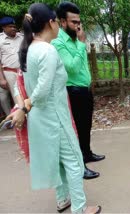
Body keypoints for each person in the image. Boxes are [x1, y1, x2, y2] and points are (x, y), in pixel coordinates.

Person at [6, 3, 101, 213]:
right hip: (54, 117)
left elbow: (18, 84)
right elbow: (43, 89)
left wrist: (24, 105)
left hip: (41, 119)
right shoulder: (47, 50)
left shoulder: (28, 49)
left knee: (58, 161)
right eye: (57, 21)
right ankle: (80, 208)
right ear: (51, 22)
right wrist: (26, 105)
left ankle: (62, 199)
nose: (58, 25)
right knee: (75, 162)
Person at [52, 2, 105, 180]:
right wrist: (82, 44)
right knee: (76, 129)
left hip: (84, 89)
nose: (78, 25)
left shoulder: (75, 39)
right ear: (62, 22)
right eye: (74, 22)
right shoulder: (58, 43)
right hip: (73, 91)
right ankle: (80, 165)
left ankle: (87, 153)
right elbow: (72, 68)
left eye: (79, 22)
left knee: (86, 125)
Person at [0, 16, 24, 109]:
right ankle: (17, 119)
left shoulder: (21, 37)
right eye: (10, 26)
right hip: (9, 72)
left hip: (23, 71)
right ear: (4, 27)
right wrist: (1, 79)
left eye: (14, 26)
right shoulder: (0, 40)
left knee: (25, 96)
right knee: (17, 98)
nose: (13, 28)